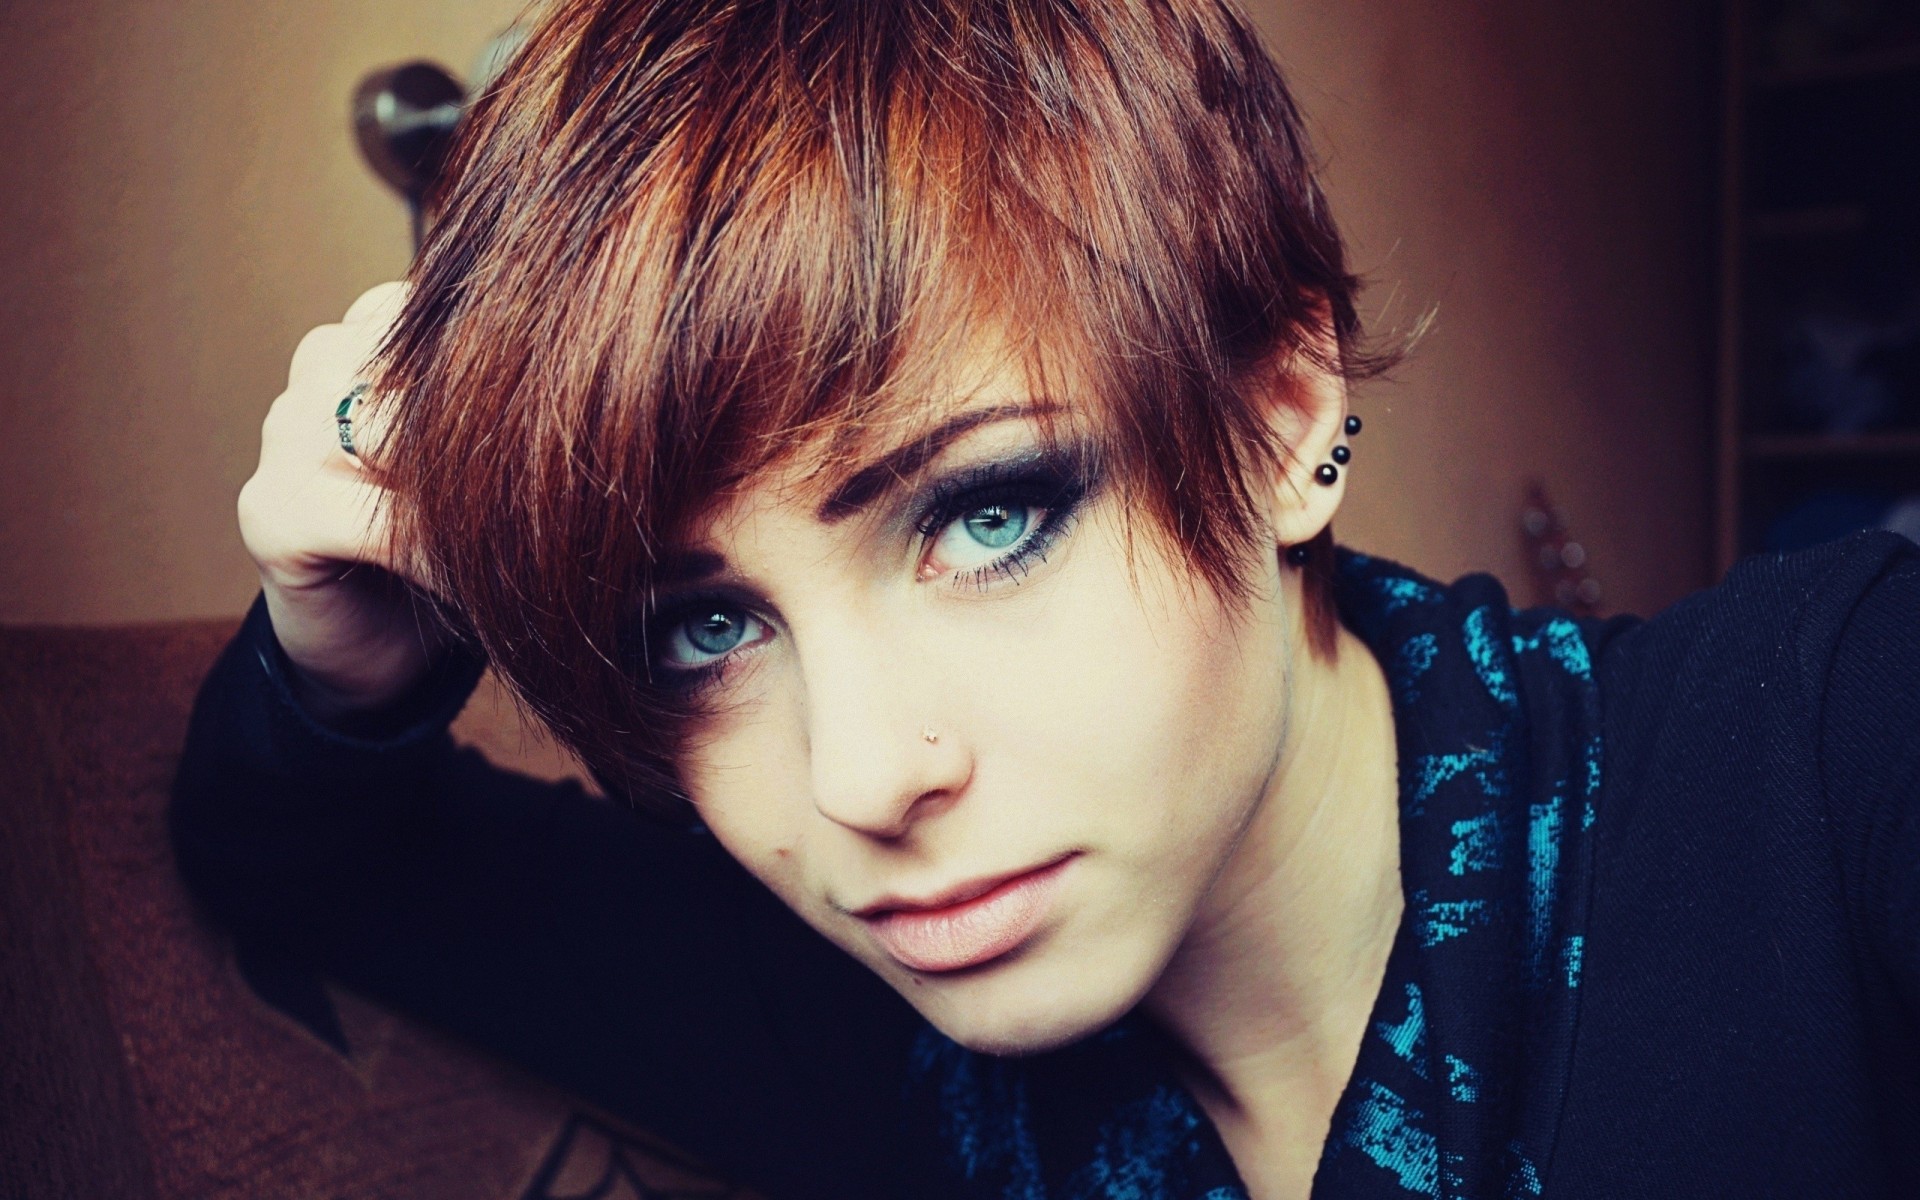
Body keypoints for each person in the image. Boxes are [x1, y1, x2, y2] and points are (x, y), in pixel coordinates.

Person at [170, 1, 1920, 1197]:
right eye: (703, 626)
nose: (864, 777)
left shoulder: (1835, 744)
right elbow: (300, 862)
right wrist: (344, 656)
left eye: (988, 515)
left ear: (1282, 417)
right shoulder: (861, 1024)